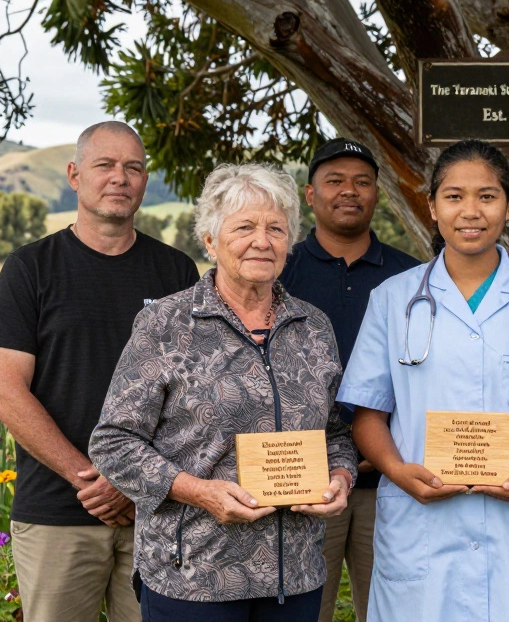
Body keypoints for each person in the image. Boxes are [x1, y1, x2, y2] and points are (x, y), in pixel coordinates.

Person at [336, 140, 509, 622]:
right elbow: (368, 415)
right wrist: (396, 471)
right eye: (454, 197)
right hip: (422, 525)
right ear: (432, 206)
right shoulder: (393, 299)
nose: (470, 212)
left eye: (487, 196)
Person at [89, 163, 358, 622]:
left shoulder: (313, 327)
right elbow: (113, 441)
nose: (262, 240)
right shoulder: (166, 324)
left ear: (290, 243)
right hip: (193, 574)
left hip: (294, 575)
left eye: (276, 228)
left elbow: (334, 433)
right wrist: (198, 491)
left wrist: (340, 478)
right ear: (211, 241)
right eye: (244, 227)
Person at [0, 122, 199, 622]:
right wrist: (95, 480)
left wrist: (133, 481)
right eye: (105, 165)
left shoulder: (177, 273)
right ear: (75, 175)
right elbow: (7, 393)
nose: (120, 178)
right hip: (58, 512)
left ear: (145, 181)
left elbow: (193, 397)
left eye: (133, 168)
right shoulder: (30, 268)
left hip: (156, 514)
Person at [278, 138, 421, 622]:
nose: (349, 191)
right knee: (301, 610)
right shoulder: (281, 272)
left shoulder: (412, 279)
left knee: (392, 610)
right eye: (334, 180)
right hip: (303, 483)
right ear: (310, 194)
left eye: (362, 182)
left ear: (377, 194)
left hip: (394, 481)